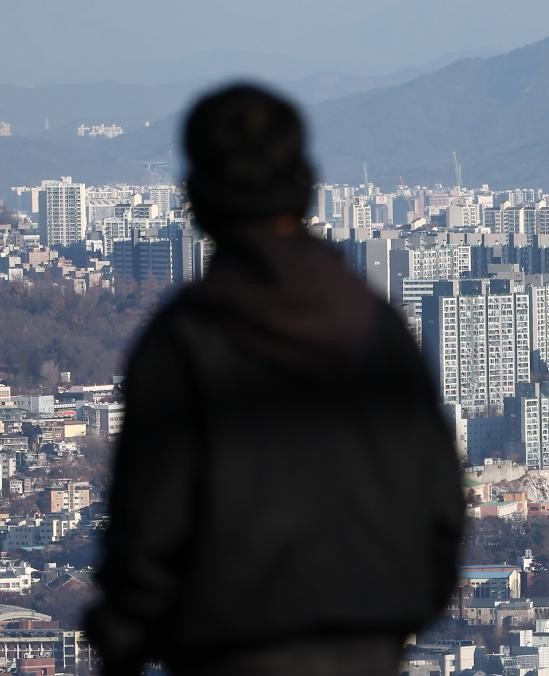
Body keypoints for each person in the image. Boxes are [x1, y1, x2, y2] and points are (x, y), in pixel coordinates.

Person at [85, 84, 465, 676]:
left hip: (227, 652)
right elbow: (439, 503)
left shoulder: (185, 340)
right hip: (367, 647)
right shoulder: (374, 325)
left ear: (196, 196)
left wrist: (124, 636)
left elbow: (145, 533)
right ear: (306, 185)